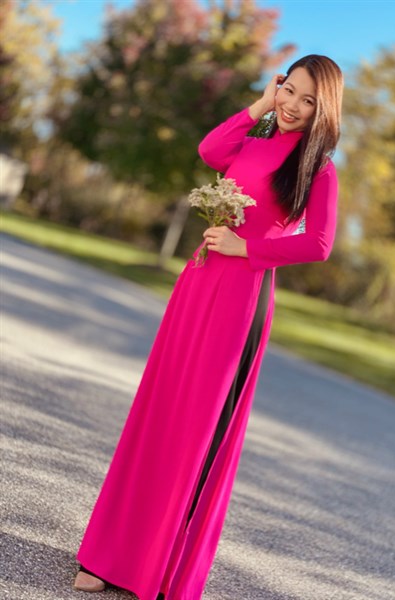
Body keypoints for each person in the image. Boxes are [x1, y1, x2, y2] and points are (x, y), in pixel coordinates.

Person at [73, 54, 343, 599]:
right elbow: (211, 150)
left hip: (241, 298)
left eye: (308, 100)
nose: (293, 105)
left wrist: (248, 248)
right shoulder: (255, 140)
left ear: (325, 110)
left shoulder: (319, 169)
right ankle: (108, 556)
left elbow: (319, 244)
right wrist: (260, 105)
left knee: (195, 425)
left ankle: (158, 567)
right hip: (197, 284)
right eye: (289, 90)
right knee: (158, 409)